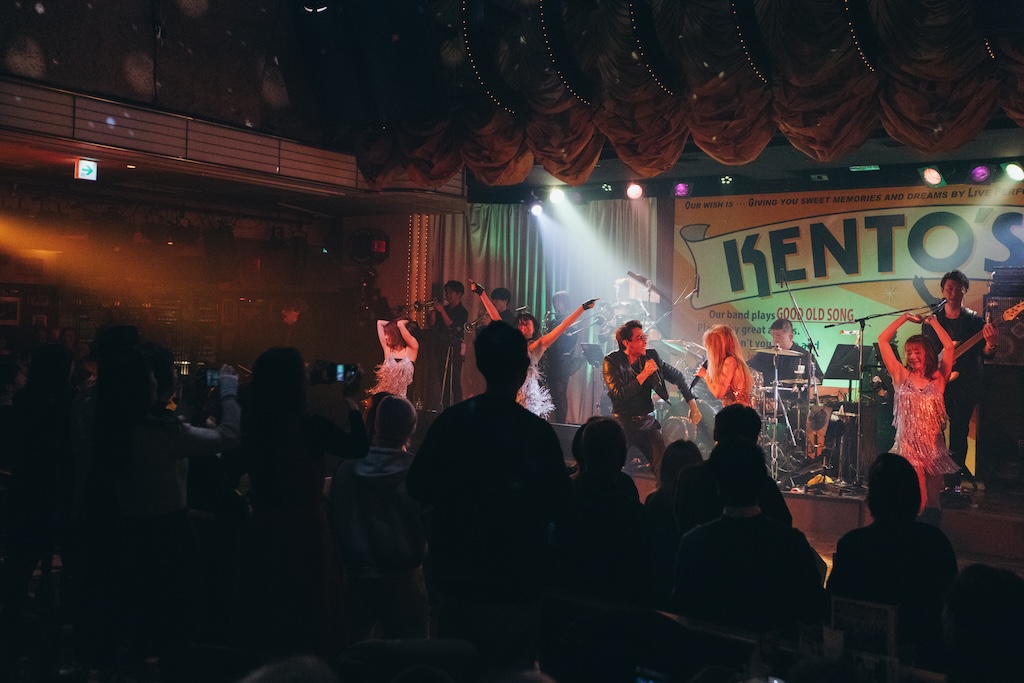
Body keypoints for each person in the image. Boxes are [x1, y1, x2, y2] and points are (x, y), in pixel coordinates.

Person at [406, 321, 571, 670]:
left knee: (455, 670)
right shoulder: (537, 433)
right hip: (516, 584)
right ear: (524, 369)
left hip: (458, 579)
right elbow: (560, 505)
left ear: (480, 365)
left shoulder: (452, 422)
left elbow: (418, 485)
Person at [670, 438, 826, 636]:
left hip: (710, 649)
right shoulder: (792, 542)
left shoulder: (693, 543)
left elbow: (681, 607)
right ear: (762, 485)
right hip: (775, 650)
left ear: (718, 487)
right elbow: (812, 609)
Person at [826, 453, 957, 670]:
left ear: (872, 497)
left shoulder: (852, 545)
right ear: (914, 495)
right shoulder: (936, 543)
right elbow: (950, 612)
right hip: (925, 664)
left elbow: (832, 609)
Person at [328, 394, 428, 641]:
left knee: (350, 652)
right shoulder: (417, 471)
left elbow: (333, 515)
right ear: (411, 428)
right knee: (409, 653)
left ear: (376, 423)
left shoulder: (347, 468)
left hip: (357, 578)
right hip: (405, 579)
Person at [472, 280, 597, 419]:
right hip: (509, 388)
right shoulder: (512, 342)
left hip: (528, 392)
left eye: (526, 324)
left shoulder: (539, 344)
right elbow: (496, 317)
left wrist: (582, 308)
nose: (523, 327)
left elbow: (563, 326)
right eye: (520, 324)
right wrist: (481, 293)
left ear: (534, 328)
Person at [920, 270, 997, 485]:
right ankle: (934, 479)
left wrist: (991, 344)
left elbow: (985, 353)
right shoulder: (931, 321)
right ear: (943, 291)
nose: (953, 293)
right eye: (949, 288)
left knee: (959, 434)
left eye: (958, 289)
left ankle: (953, 483)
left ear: (965, 291)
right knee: (934, 433)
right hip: (937, 385)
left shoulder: (974, 321)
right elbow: (926, 352)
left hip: (965, 386)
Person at [878, 311, 958, 514]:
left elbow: (949, 347)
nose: (912, 357)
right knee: (918, 501)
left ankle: (931, 532)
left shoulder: (938, 380)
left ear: (927, 354)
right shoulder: (900, 376)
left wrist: (933, 321)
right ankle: (911, 532)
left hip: (934, 447)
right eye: (908, 352)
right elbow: (883, 340)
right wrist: (904, 318)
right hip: (908, 448)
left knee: (933, 500)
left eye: (917, 352)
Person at [603, 320, 702, 477]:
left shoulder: (651, 356)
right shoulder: (612, 361)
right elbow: (619, 394)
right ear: (627, 343)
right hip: (623, 424)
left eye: (645, 337)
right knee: (609, 469)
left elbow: (677, 376)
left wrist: (692, 404)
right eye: (640, 338)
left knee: (664, 468)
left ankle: (664, 491)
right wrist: (644, 374)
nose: (645, 341)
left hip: (647, 424)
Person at [428, 280, 468, 409]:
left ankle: (458, 408)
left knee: (454, 381)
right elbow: (433, 324)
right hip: (441, 348)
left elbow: (452, 325)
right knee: (443, 382)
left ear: (459, 294)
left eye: (450, 292)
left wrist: (441, 311)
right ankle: (445, 408)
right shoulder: (444, 309)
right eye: (447, 292)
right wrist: (434, 311)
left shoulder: (462, 311)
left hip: (455, 349)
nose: (447, 295)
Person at [747, 318, 822, 386]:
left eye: (779, 336)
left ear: (790, 337)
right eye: (773, 336)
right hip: (769, 395)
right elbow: (748, 367)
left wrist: (805, 383)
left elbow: (818, 378)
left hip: (795, 395)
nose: (775, 340)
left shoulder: (805, 356)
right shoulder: (765, 354)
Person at [695, 324, 754, 408]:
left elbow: (718, 393)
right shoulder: (732, 361)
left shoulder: (730, 362)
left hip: (736, 412)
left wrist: (705, 375)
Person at [543, 290, 580, 423]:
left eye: (560, 302)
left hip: (562, 361)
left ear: (566, 303)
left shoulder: (571, 321)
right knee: (553, 393)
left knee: (560, 393)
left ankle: (561, 424)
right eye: (555, 302)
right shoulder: (553, 322)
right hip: (552, 360)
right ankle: (556, 422)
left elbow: (571, 341)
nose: (557, 304)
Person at [367, 318, 419, 398]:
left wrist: (400, 325)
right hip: (384, 398)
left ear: (395, 334)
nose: (385, 337)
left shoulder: (411, 349)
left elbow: (400, 325)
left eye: (388, 333)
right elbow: (379, 323)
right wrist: (394, 325)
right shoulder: (388, 350)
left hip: (402, 400)